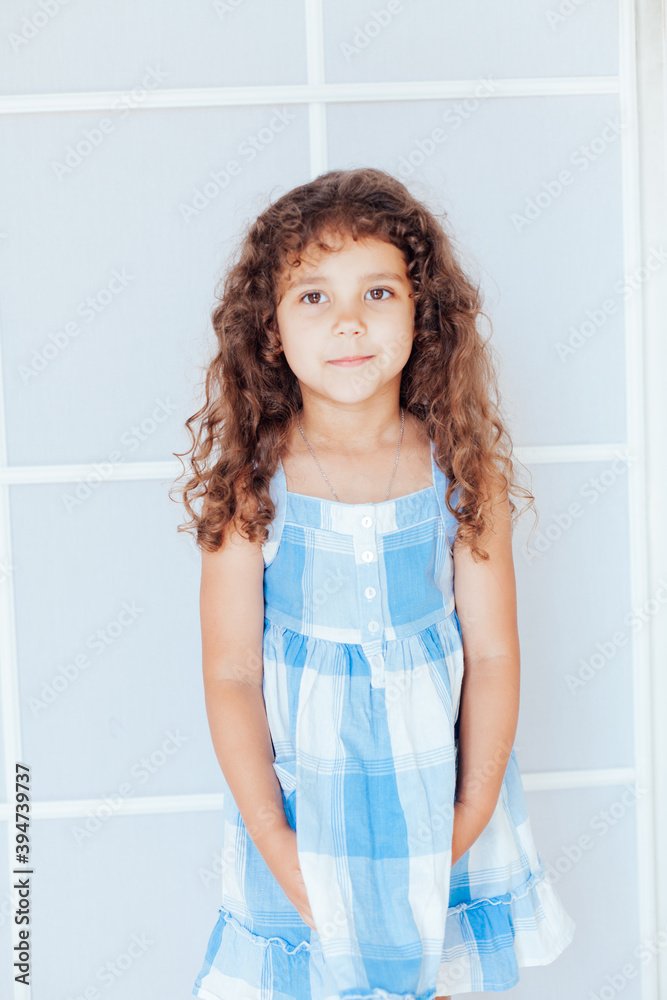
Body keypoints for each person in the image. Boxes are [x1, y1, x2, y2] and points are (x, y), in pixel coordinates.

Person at [174, 167, 576, 999]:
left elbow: (493, 656)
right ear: (271, 329)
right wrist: (275, 842)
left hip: (440, 792)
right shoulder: (252, 483)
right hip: (303, 808)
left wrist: (468, 813)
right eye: (313, 296)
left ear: (422, 314)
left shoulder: (462, 474)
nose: (349, 321)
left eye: (379, 293)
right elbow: (230, 675)